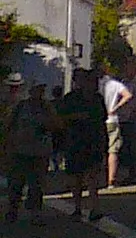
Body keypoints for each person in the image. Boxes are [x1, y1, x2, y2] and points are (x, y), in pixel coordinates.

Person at [54, 67, 108, 222]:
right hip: (75, 141)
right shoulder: (70, 99)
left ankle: (94, 208)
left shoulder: (97, 98)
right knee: (76, 176)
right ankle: (77, 207)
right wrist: (75, 117)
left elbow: (102, 118)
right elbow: (61, 118)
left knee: (92, 175)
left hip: (93, 141)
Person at [4, 76, 59, 225]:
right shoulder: (21, 106)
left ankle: (35, 213)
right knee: (16, 183)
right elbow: (9, 126)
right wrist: (8, 146)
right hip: (20, 151)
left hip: (40, 152)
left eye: (42, 90)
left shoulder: (47, 107)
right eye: (37, 90)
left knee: (37, 185)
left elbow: (56, 125)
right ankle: (12, 210)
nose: (40, 93)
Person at [100, 68, 135, 187]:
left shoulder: (97, 84)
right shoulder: (116, 85)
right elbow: (128, 95)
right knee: (113, 150)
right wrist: (116, 108)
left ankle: (97, 178)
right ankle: (111, 180)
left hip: (99, 119)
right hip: (112, 118)